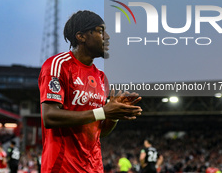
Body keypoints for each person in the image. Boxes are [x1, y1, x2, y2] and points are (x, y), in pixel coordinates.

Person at [38, 10, 143, 172]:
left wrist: (113, 115)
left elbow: (100, 132)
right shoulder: (58, 66)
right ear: (81, 36)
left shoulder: (101, 77)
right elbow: (49, 117)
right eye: (101, 31)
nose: (107, 37)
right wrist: (103, 111)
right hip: (63, 167)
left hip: (94, 167)